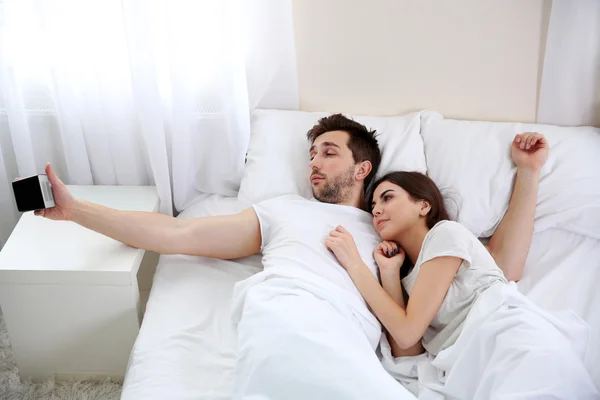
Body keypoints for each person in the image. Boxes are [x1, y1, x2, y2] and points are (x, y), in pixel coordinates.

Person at [34, 115, 546, 399]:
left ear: (364, 168)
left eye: (329, 151)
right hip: (293, 310)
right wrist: (78, 210)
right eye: (310, 154)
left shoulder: (394, 227)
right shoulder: (283, 210)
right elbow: (179, 234)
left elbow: (499, 263)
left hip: (359, 342)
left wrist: (528, 172)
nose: (314, 164)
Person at [325, 166, 598, 396]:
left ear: (424, 205)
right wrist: (389, 273)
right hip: (470, 363)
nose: (376, 210)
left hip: (506, 339)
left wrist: (354, 264)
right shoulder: (410, 278)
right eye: (372, 205)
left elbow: (407, 330)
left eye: (387, 198)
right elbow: (407, 351)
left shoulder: (446, 234)